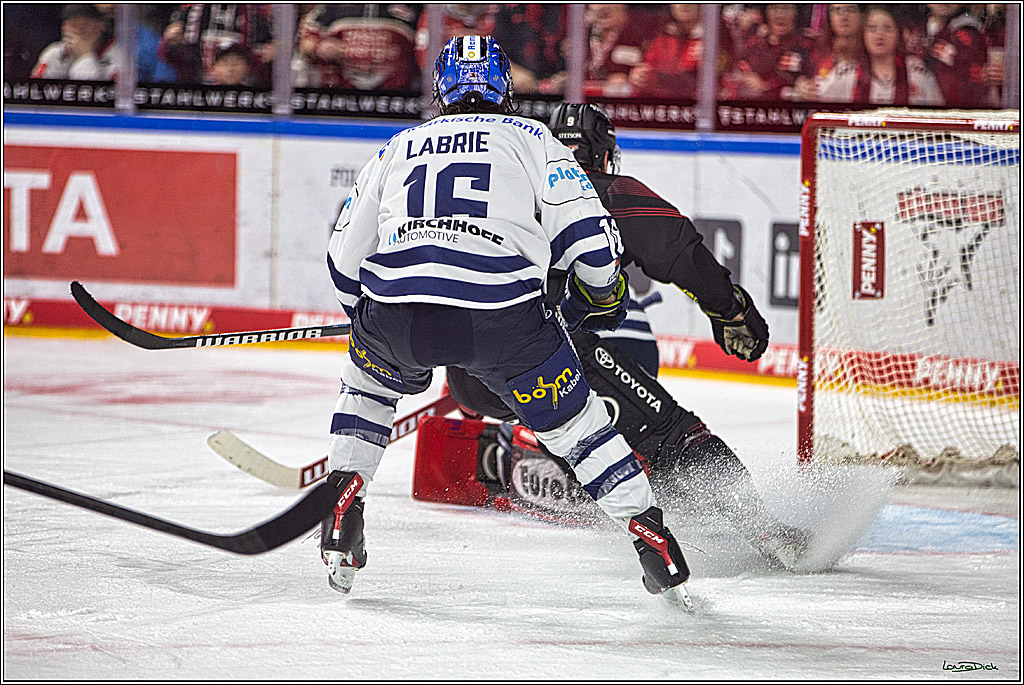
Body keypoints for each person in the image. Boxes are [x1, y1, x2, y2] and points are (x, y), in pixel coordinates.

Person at [321, 35, 692, 606]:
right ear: (505, 87)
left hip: (395, 316)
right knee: (578, 429)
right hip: (502, 322)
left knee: (366, 392)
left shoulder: (399, 144)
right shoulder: (531, 139)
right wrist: (600, 298)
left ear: (441, 88)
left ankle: (345, 505)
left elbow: (343, 258)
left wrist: (367, 320)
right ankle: (649, 533)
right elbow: (591, 241)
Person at [445, 102, 808, 571]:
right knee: (675, 434)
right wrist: (730, 309)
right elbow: (680, 253)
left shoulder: (501, 192)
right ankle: (763, 529)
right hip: (552, 354)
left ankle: (512, 450)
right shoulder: (601, 189)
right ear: (603, 153)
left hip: (473, 374)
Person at [816, 6, 944, 106]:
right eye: (872, 29)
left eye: (887, 29)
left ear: (899, 34)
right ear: (863, 34)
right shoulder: (844, 73)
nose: (879, 35)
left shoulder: (918, 72)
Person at [296, 3, 421, 90]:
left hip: (399, 100)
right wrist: (319, 46)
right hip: (338, 98)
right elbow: (304, 42)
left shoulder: (414, 8)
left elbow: (429, 47)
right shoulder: (330, 6)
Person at [729, 3, 813, 101]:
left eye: (787, 8)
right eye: (774, 8)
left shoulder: (806, 45)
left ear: (796, 13)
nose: (780, 15)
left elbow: (806, 84)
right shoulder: (754, 42)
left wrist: (765, 87)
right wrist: (745, 78)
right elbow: (737, 68)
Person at [31, 4, 127, 80]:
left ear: (101, 26)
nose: (79, 31)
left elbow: (93, 100)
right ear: (64, 28)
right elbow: (36, 93)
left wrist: (85, 57)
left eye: (86, 24)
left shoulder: (118, 56)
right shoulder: (53, 53)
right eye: (74, 25)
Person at [794, 3, 865, 102]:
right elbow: (802, 82)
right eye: (837, 10)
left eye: (850, 9)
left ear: (862, 16)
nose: (844, 16)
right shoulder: (816, 52)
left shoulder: (874, 53)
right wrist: (801, 86)